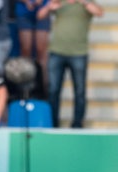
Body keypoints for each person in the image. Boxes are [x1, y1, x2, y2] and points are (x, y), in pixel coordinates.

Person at [37, 0, 103, 128]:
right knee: (53, 90)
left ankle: (77, 123)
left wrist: (84, 2)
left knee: (79, 91)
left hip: (79, 53)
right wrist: (49, 7)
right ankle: (53, 123)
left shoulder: (86, 3)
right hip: (56, 51)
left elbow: (100, 12)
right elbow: (40, 15)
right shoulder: (59, 2)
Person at [15, 0, 50, 95]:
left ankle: (43, 88)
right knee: (25, 50)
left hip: (43, 8)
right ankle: (24, 87)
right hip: (24, 10)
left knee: (41, 51)